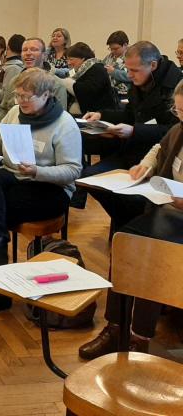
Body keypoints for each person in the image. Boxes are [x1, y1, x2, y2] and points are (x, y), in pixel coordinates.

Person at [0, 68, 82, 314]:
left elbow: (72, 171)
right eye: (18, 96)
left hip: (49, 188)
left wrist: (38, 171)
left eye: (27, 97)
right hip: (15, 179)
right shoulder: (16, 112)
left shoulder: (64, 124)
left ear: (46, 95)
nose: (20, 101)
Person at [78, 80, 183, 360]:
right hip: (170, 211)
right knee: (125, 239)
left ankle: (139, 338)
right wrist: (146, 166)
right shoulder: (178, 129)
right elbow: (159, 149)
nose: (180, 116)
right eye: (179, 110)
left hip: (177, 218)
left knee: (152, 252)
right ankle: (115, 328)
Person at [77, 41, 183, 210]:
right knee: (88, 178)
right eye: (128, 69)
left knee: (135, 199)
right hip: (133, 151)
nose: (129, 75)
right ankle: (126, 221)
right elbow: (129, 114)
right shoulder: (141, 82)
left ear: (153, 65)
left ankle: (131, 223)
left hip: (157, 159)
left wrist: (135, 130)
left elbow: (172, 131)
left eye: (134, 70)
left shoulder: (175, 87)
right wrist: (102, 115)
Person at [61, 42, 117, 116]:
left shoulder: (97, 69)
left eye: (71, 59)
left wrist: (67, 83)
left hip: (97, 115)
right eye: (67, 60)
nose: (68, 63)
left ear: (82, 58)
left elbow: (87, 91)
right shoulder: (78, 71)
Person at [103, 30, 130, 101]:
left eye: (115, 49)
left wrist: (114, 72)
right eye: (110, 49)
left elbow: (133, 76)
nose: (112, 51)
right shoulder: (109, 57)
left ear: (125, 45)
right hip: (109, 93)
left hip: (125, 95)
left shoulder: (132, 57)